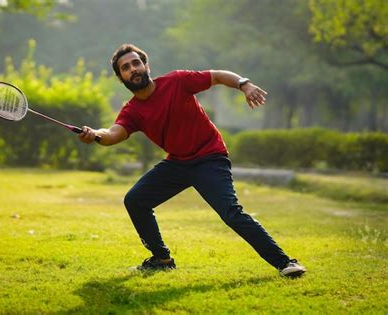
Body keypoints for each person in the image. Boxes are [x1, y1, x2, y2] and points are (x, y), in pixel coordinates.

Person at [78, 43, 306, 277]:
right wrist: (95, 135)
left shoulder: (177, 81)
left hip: (209, 157)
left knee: (231, 213)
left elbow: (216, 76)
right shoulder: (132, 111)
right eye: (126, 68)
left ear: (146, 65)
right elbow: (113, 133)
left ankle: (285, 262)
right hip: (177, 163)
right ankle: (162, 259)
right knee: (135, 200)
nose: (133, 69)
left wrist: (244, 84)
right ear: (121, 77)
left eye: (136, 63)